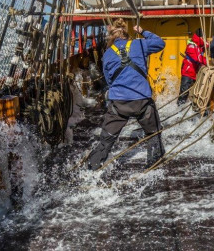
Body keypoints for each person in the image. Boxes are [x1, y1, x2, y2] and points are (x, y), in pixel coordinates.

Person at [87, 18, 166, 170]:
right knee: (153, 134)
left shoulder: (108, 54)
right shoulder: (139, 44)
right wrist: (142, 32)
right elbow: (160, 43)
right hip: (142, 101)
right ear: (126, 33)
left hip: (119, 104)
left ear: (112, 36)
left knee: (106, 140)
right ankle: (154, 167)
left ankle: (92, 169)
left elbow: (109, 80)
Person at [177, 28, 207, 105]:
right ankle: (179, 109)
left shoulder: (198, 45)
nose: (204, 39)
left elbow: (207, 45)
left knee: (191, 92)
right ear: (200, 37)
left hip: (193, 72)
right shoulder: (192, 46)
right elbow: (197, 59)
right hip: (188, 72)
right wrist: (207, 62)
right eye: (203, 38)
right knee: (184, 92)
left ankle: (188, 105)